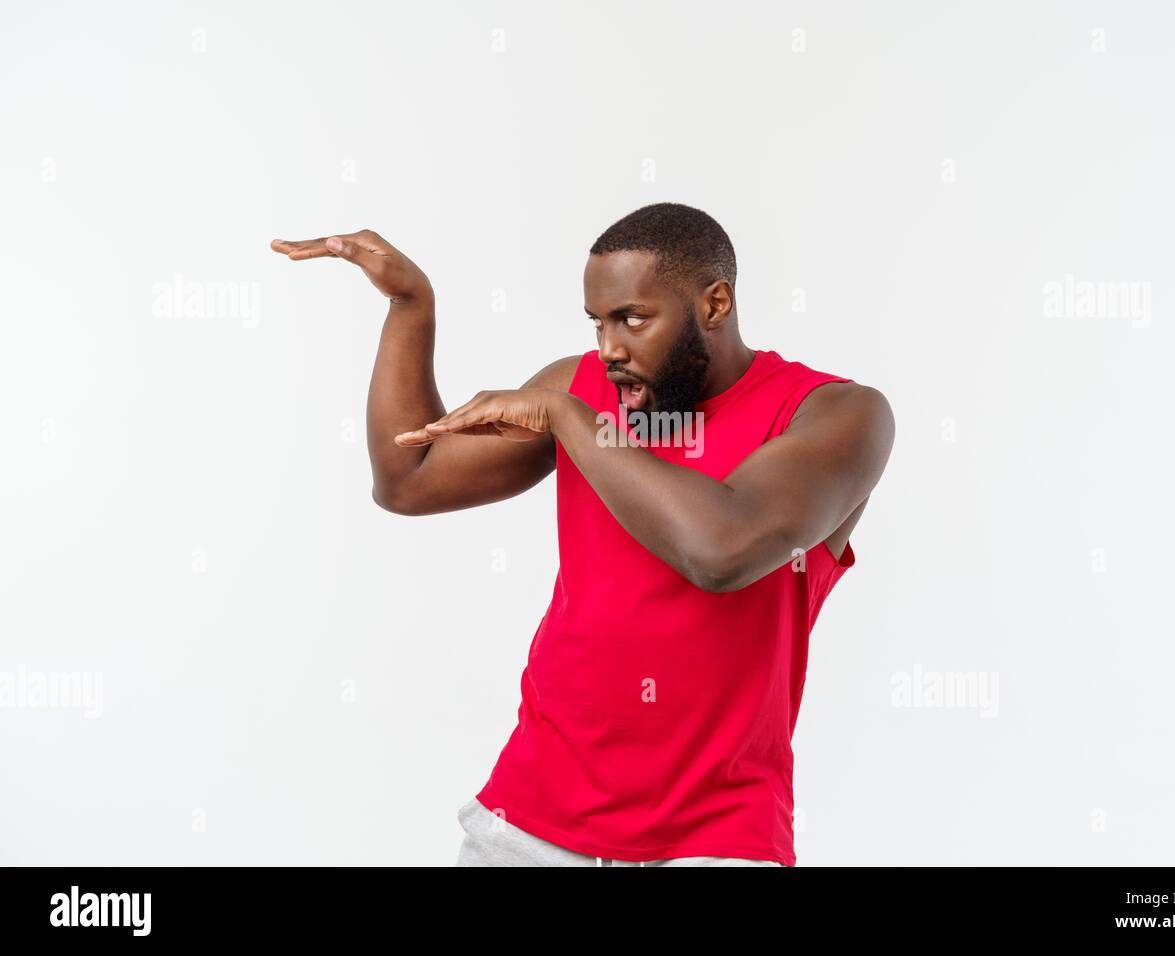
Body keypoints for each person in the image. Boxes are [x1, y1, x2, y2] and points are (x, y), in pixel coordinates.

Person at [270, 202, 894, 866]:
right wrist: (411, 308)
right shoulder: (583, 386)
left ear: (714, 305)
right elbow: (409, 481)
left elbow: (723, 549)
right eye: (597, 323)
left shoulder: (836, 414)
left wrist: (572, 421)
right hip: (529, 823)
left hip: (716, 837)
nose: (609, 349)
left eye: (633, 319)